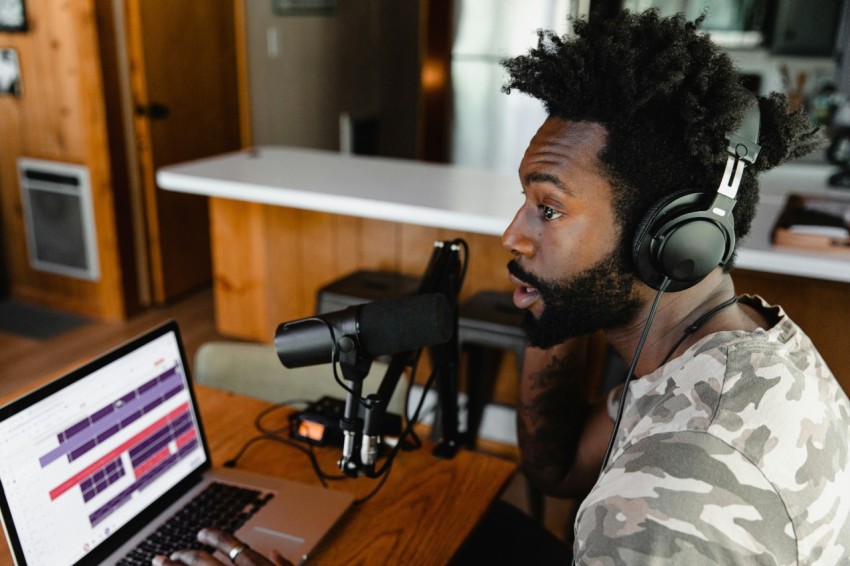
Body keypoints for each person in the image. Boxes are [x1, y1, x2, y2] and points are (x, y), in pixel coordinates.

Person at [159, 9, 850, 565]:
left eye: (548, 208)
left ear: (671, 238)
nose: (512, 235)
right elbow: (558, 470)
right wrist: (554, 306)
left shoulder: (666, 502)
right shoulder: (736, 346)